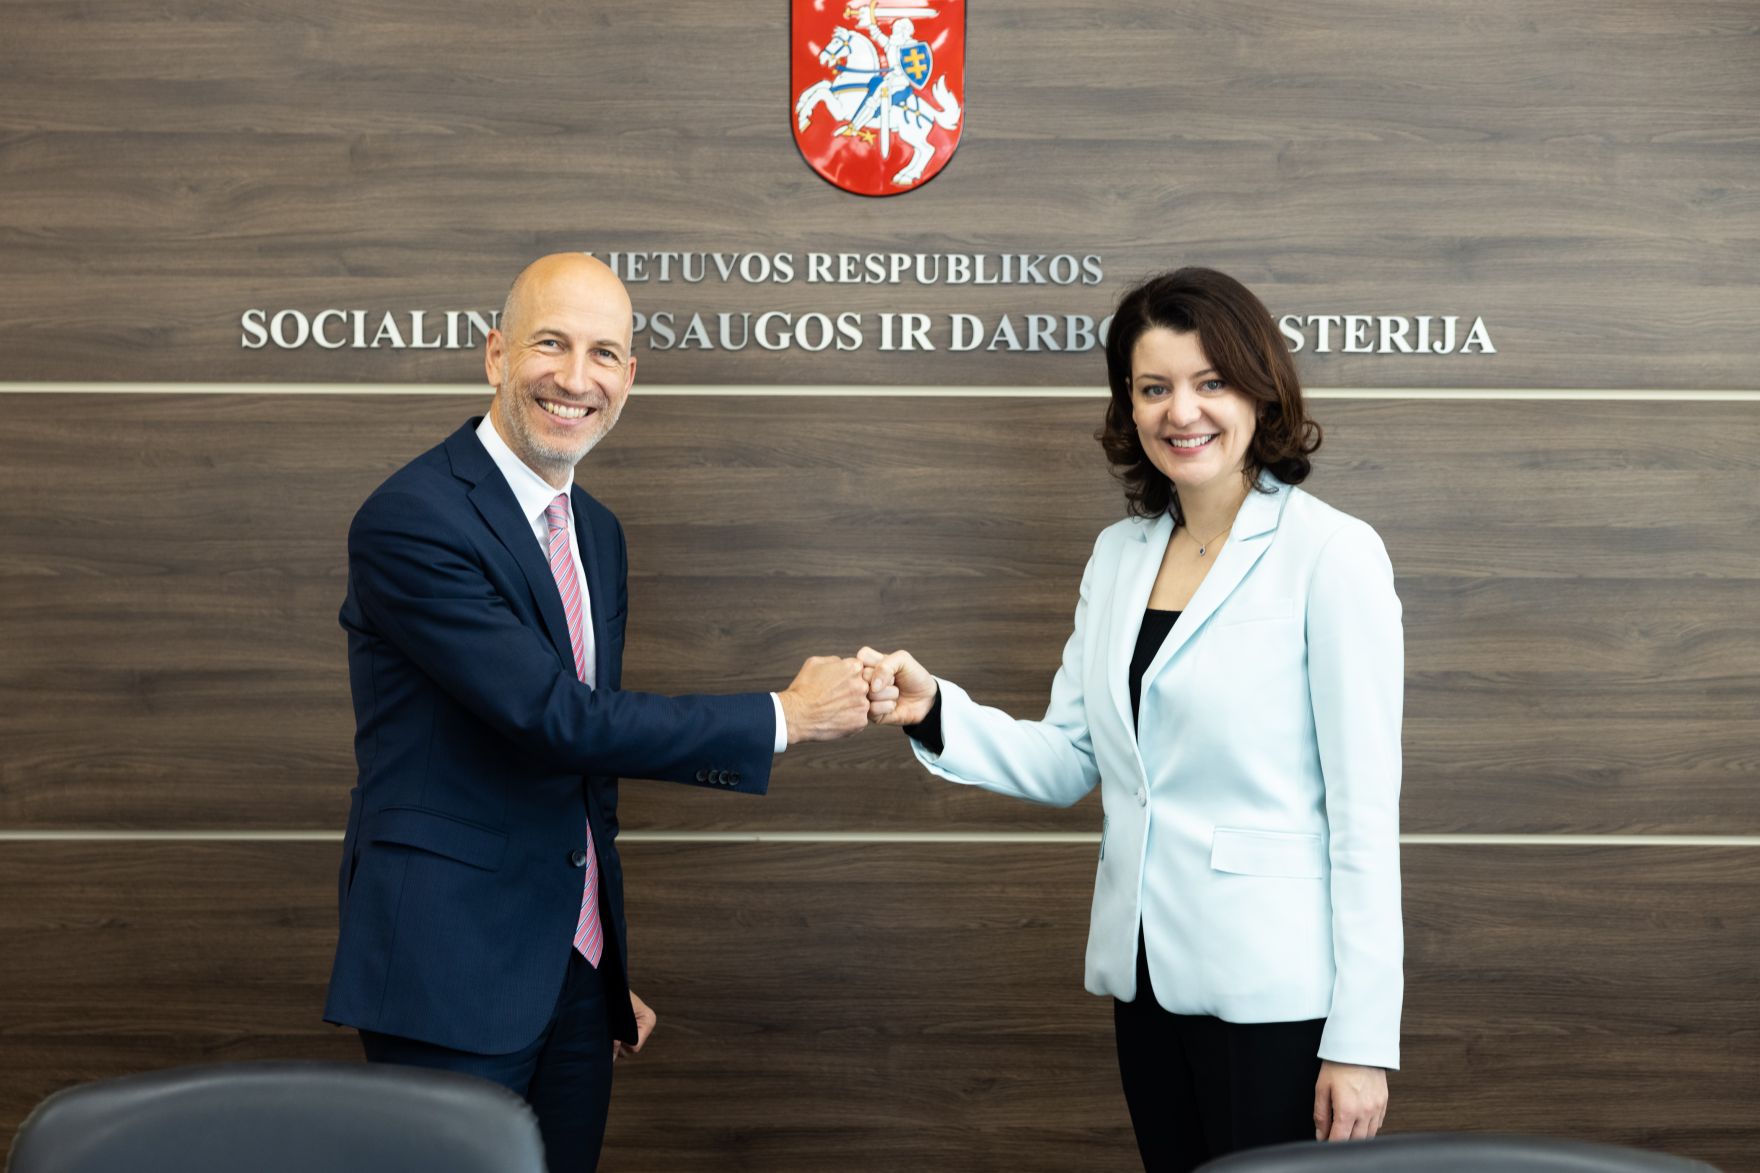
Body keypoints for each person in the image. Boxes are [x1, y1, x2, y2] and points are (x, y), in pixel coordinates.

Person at [324, 253, 870, 1173]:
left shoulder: (596, 531)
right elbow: (557, 720)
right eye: (551, 344)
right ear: (496, 355)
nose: (576, 379)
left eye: (604, 354)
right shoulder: (413, 518)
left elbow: (581, 780)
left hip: (567, 972)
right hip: (449, 974)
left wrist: (596, 964)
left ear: (629, 377)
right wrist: (785, 715)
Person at [861, 268, 1404, 1171]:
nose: (1180, 411)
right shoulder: (1120, 555)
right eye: (1154, 388)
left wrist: (1362, 1038)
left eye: (1210, 382)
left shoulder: (1332, 554)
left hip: (1278, 997)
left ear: (1260, 391)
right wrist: (935, 710)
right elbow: (1073, 755)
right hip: (1144, 977)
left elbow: (1363, 817)